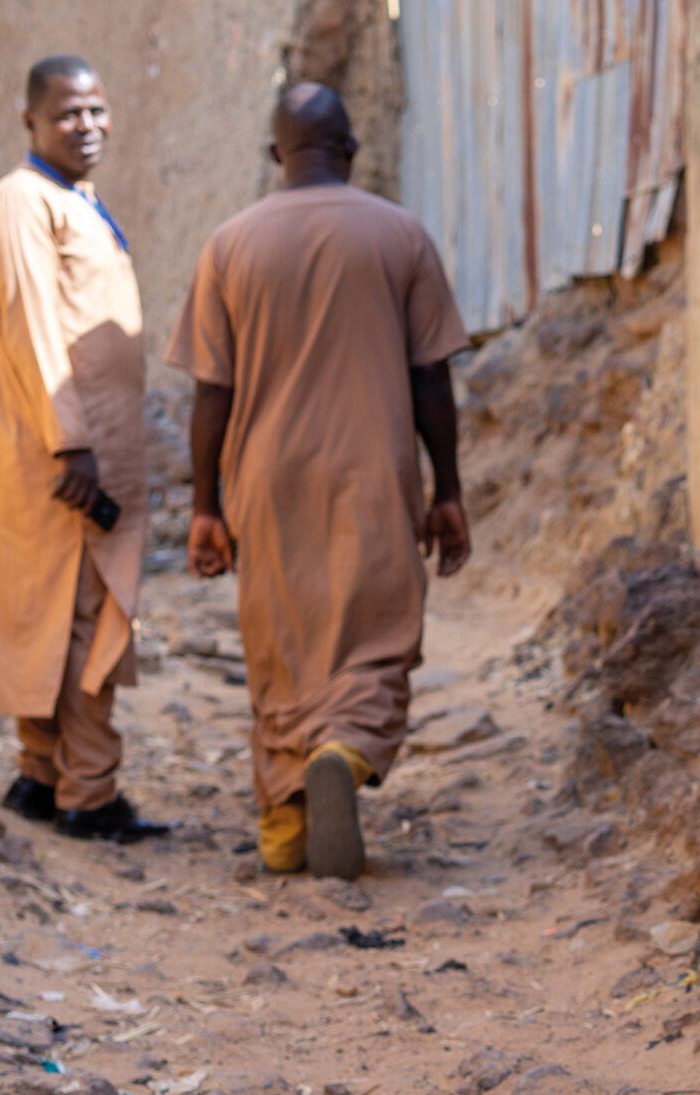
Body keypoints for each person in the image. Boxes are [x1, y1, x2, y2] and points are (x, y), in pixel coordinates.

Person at [167, 83, 472, 879]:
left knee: (280, 638)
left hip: (265, 477)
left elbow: (211, 393)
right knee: (372, 633)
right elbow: (431, 378)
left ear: (275, 155)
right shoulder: (400, 234)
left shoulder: (229, 244)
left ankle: (284, 819)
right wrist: (448, 490)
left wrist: (205, 506)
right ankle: (347, 746)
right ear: (352, 149)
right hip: (374, 466)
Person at [0, 54, 169, 843]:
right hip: (64, 460)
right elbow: (32, 329)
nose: (86, 127)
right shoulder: (21, 202)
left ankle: (42, 776)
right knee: (83, 620)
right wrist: (71, 444)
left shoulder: (70, 198)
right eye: (66, 115)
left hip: (84, 453)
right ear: (31, 123)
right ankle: (90, 792)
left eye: (96, 110)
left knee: (61, 614)